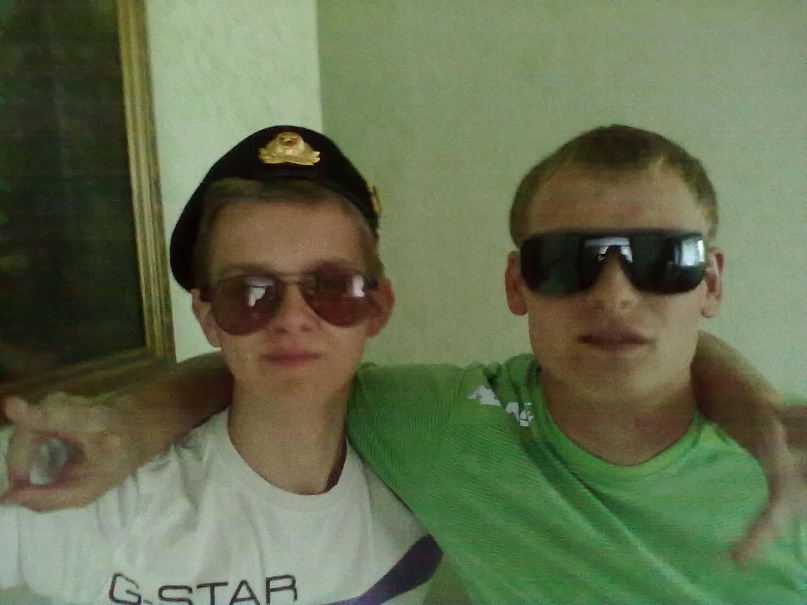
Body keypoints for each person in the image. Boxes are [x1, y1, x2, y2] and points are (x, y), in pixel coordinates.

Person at [3, 126, 806, 601]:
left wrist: (754, 407)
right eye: (249, 294)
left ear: (710, 281)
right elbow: (265, 371)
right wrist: (129, 421)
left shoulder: (790, 461)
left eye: (663, 261)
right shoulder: (446, 428)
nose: (615, 294)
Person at [0, 125, 441, 603]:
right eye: (248, 293)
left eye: (333, 287)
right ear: (208, 318)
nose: (292, 318)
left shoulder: (431, 472)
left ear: (378, 307)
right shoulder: (92, 486)